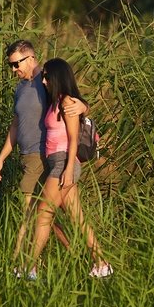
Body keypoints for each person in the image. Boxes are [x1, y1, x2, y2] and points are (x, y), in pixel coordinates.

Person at [0, 40, 86, 272]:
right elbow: (16, 125)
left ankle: (19, 266)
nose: (13, 70)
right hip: (27, 156)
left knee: (30, 213)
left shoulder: (45, 79)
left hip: (42, 155)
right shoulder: (21, 88)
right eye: (10, 66)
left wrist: (84, 106)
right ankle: (84, 261)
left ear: (30, 57)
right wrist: (2, 157)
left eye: (16, 64)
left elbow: (70, 98)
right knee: (53, 217)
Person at [29, 57, 112, 280]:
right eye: (43, 76)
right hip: (57, 163)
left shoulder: (67, 103)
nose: (44, 80)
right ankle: (102, 264)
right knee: (78, 220)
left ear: (58, 77)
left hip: (65, 163)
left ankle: (29, 267)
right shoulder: (55, 101)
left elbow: (73, 139)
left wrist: (67, 170)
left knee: (43, 213)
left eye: (47, 76)